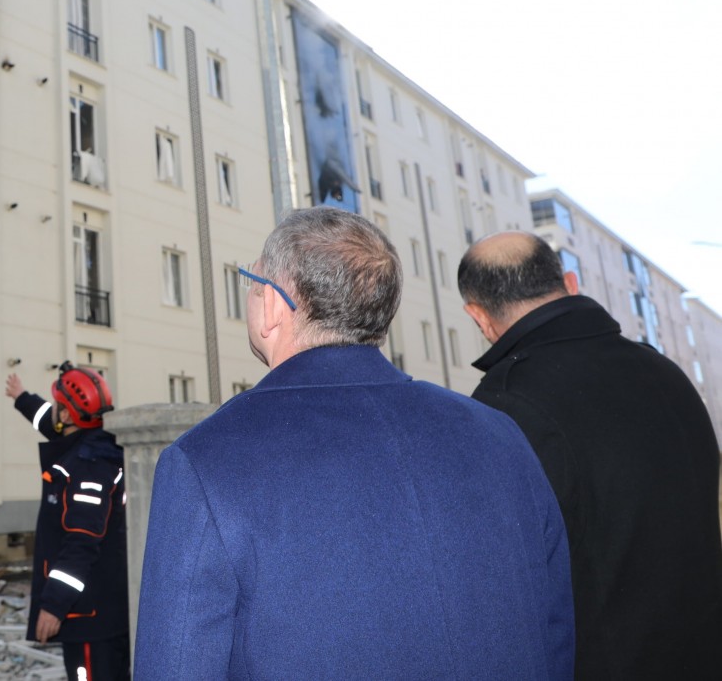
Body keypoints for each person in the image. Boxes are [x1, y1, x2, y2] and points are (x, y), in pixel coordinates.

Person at [135, 207, 575, 679]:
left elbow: (176, 665)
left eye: (251, 281)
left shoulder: (205, 462)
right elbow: (556, 636)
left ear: (274, 307)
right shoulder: (499, 435)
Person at [459, 230, 722, 679]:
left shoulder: (502, 407)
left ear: (478, 316)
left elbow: (500, 589)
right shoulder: (663, 370)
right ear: (571, 282)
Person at [5, 366, 128, 681]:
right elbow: (50, 421)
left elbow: (81, 544)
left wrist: (54, 605)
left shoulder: (87, 469)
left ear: (70, 415)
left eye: (58, 403)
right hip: (94, 614)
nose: (54, 409)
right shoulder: (90, 442)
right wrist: (22, 398)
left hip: (89, 620)